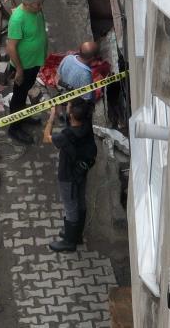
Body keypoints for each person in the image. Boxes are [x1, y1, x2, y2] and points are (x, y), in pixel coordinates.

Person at [47, 98, 97, 252]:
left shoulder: (66, 136)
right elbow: (74, 121)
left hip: (68, 175)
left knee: (70, 207)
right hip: (81, 170)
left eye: (68, 106)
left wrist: (51, 117)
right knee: (80, 201)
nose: (66, 106)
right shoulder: (86, 126)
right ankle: (76, 235)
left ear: (72, 115)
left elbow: (46, 137)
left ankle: (69, 242)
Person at [5, 0, 49, 144]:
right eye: (38, 4)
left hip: (34, 62)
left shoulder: (35, 11)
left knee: (24, 93)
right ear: (27, 4)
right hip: (23, 66)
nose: (41, 7)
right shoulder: (18, 19)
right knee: (18, 96)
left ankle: (23, 116)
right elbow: (11, 47)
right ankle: (14, 128)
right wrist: (19, 70)